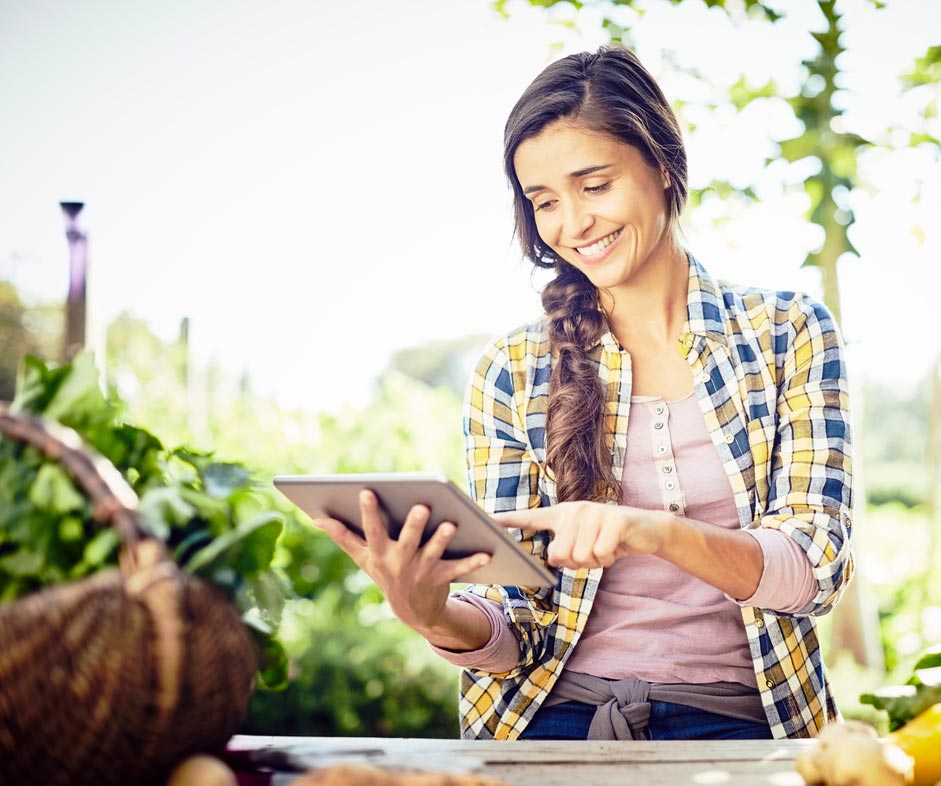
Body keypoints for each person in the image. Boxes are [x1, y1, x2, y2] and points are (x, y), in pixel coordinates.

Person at [315, 44, 854, 741]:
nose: (571, 225)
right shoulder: (513, 367)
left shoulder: (789, 333)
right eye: (544, 202)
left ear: (662, 165)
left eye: (594, 185)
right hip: (552, 721)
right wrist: (433, 614)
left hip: (747, 724)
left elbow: (813, 572)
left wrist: (652, 532)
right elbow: (517, 632)